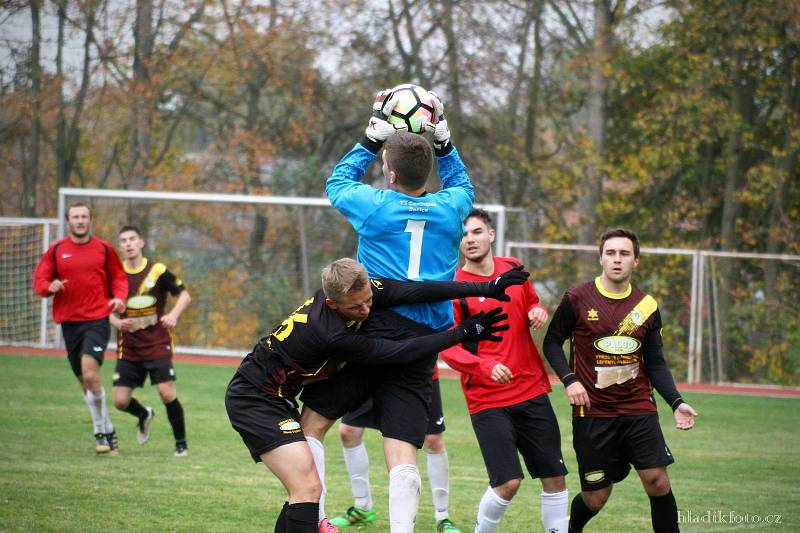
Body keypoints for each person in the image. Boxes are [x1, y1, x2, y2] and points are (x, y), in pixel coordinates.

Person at [225, 257, 524, 533]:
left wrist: (486, 287)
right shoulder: (329, 333)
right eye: (356, 308)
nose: (366, 310)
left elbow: (414, 291)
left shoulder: (357, 290)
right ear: (331, 303)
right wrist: (462, 333)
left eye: (369, 300)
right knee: (307, 490)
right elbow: (395, 352)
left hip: (279, 396)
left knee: (303, 492)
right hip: (255, 399)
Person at [319, 91, 470, 533]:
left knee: (314, 423)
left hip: (373, 328)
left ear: (388, 171)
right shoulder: (452, 207)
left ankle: (311, 517)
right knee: (402, 447)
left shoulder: (375, 205)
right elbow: (462, 183)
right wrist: (444, 143)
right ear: (429, 171)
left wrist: (370, 137)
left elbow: (337, 183)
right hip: (423, 345)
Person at [542, 228, 698, 533]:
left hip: (638, 408)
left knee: (657, 481)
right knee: (596, 497)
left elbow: (655, 362)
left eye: (624, 254)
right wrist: (570, 380)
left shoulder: (646, 307)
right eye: (611, 253)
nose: (617, 259)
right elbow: (551, 342)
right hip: (593, 415)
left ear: (636, 261)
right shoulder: (577, 298)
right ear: (601, 258)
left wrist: (676, 402)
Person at [438, 209, 570, 533]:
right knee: (508, 482)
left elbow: (531, 301)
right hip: (487, 399)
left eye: (477, 231)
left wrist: (537, 310)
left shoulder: (513, 268)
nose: (470, 239)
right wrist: (484, 366)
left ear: (491, 235)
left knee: (554, 476)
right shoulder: (454, 287)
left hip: (531, 389)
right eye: (464, 235)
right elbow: (446, 344)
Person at [33, 202, 127, 454]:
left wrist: (119, 297)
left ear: (90, 220)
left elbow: (118, 277)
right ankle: (108, 428)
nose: (80, 220)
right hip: (69, 323)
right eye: (75, 217)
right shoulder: (56, 251)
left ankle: (99, 432)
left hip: (97, 319)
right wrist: (48, 287)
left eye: (84, 216)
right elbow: (40, 279)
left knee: (90, 375)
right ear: (68, 221)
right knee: (84, 382)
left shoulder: (104, 249)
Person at [109, 225, 192, 457]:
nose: (128, 243)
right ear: (120, 246)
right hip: (129, 348)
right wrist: (116, 323)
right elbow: (103, 305)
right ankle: (144, 414)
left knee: (166, 393)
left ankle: (181, 445)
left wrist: (173, 315)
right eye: (123, 240)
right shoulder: (115, 274)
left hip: (157, 344)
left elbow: (185, 295)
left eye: (132, 239)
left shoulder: (157, 270)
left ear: (141, 242)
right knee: (119, 401)